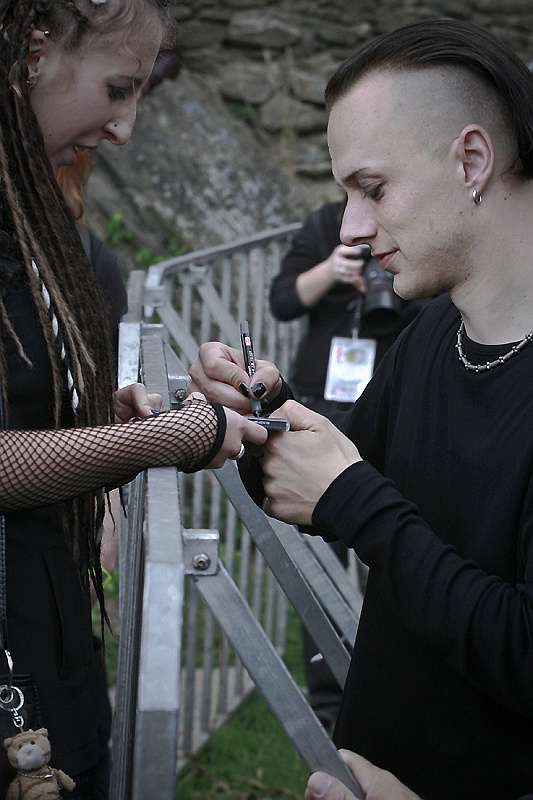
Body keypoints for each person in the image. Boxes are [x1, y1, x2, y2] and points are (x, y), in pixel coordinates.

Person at [189, 17, 533, 800]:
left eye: (371, 189)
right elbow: (314, 489)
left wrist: (357, 504)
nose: (349, 226)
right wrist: (263, 410)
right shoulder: (433, 332)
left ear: (472, 160)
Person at [0, 2, 267, 798]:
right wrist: (169, 440)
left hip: (44, 631)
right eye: (117, 89)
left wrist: (102, 424)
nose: (125, 128)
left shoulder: (44, 233)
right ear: (35, 50)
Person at [270, 200, 431, 727]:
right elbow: (283, 300)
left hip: (385, 409)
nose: (361, 220)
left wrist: (384, 284)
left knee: (384, 547)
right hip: (320, 399)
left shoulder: (411, 223)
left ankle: (387, 688)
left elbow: (432, 307)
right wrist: (332, 272)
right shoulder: (322, 225)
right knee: (320, 560)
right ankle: (328, 697)